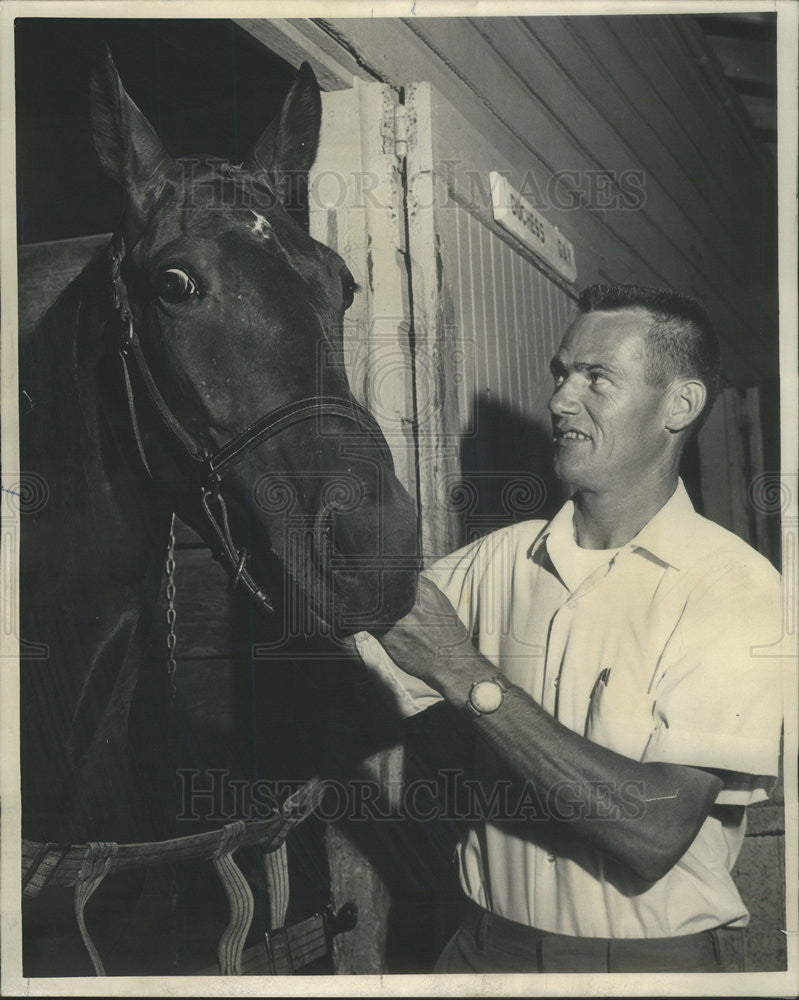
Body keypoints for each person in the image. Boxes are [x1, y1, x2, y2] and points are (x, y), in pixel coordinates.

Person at [354, 283, 783, 974]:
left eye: (596, 378)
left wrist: (466, 676)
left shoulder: (733, 586)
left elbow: (653, 828)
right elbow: (359, 638)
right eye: (560, 373)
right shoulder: (496, 559)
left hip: (644, 969)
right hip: (479, 949)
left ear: (680, 404)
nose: (558, 400)